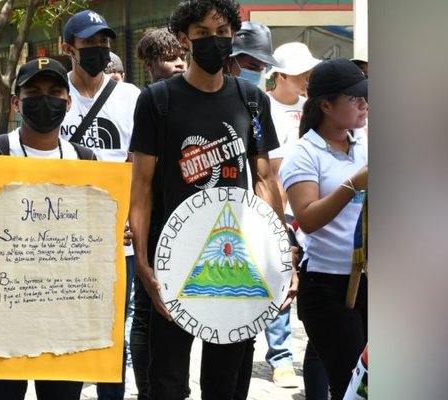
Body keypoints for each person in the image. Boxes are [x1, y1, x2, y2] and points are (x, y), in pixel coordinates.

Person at [129, 1, 294, 399]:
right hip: (172, 261)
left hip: (234, 259)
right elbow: (142, 189)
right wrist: (145, 263)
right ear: (184, 39)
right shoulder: (157, 101)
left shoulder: (253, 100)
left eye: (222, 32)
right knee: (166, 383)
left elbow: (265, 180)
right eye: (203, 33)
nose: (215, 41)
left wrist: (283, 256)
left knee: (226, 383)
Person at [0, 57, 88, 400]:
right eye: (34, 92)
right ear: (17, 101)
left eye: (55, 91)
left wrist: (118, 234)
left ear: (68, 101)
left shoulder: (88, 162)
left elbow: (98, 235)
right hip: (3, 315)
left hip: (65, 315)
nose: (45, 99)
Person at [59, 9, 143, 400]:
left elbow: (138, 167)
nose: (98, 50)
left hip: (116, 236)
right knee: (65, 329)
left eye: (103, 43)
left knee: (112, 331)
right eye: (89, 43)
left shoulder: (131, 98)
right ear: (68, 48)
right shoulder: (52, 92)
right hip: (59, 235)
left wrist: (131, 218)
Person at [279, 57, 368, 400]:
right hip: (328, 287)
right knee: (352, 387)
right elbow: (308, 218)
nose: (364, 105)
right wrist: (354, 184)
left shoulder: (363, 145)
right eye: (354, 99)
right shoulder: (303, 154)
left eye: (365, 98)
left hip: (371, 281)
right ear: (326, 105)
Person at [263, 40, 324, 391]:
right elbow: (266, 169)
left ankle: (310, 354)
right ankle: (281, 357)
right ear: (281, 75)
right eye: (300, 72)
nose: (306, 78)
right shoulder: (263, 107)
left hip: (311, 209)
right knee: (282, 281)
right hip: (279, 210)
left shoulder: (312, 108)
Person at [130, 26, 188, 400]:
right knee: (148, 312)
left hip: (190, 226)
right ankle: (149, 388)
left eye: (183, 54)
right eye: (170, 57)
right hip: (149, 224)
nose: (180, 62)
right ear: (150, 63)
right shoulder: (147, 101)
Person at [224, 20, 279, 87]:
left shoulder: (253, 96)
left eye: (261, 70)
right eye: (252, 67)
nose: (256, 75)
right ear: (229, 60)